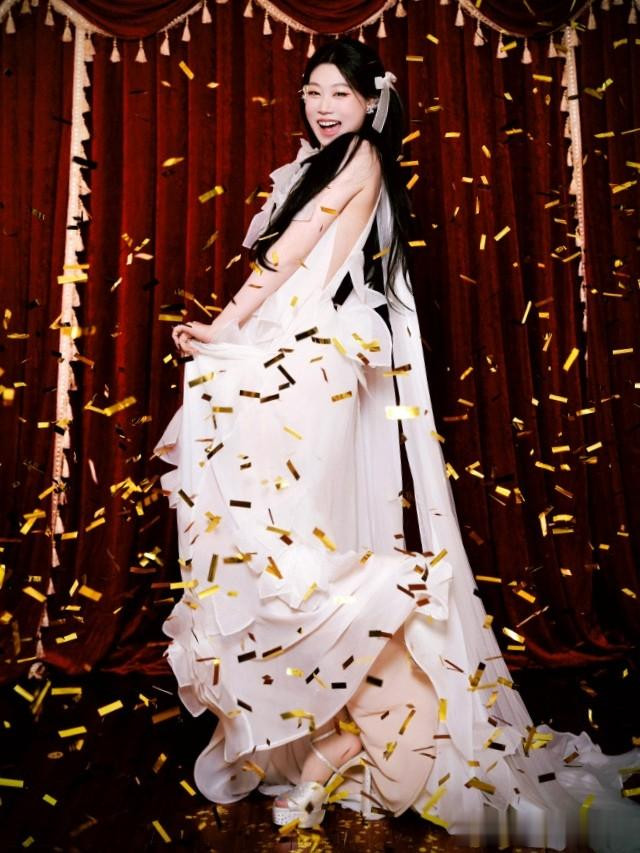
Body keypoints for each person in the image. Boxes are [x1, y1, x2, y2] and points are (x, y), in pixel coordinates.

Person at [158, 38, 640, 850]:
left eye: (340, 94)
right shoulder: (319, 163)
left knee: (301, 553)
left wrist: (224, 323)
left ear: (370, 101)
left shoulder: (362, 156)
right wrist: (232, 333)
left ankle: (344, 730)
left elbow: (292, 253)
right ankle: (334, 731)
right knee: (286, 543)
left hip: (313, 361)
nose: (324, 107)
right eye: (313, 91)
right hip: (295, 353)